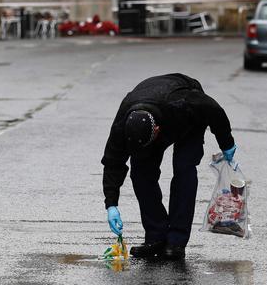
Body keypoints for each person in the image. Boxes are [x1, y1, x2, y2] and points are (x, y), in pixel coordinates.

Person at [101, 73, 236, 260]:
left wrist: (226, 143)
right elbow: (112, 161)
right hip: (152, 111)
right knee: (140, 171)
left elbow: (214, 111)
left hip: (186, 120)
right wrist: (111, 204)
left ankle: (176, 241)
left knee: (184, 168)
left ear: (157, 130)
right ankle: (156, 236)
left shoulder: (185, 103)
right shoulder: (123, 123)